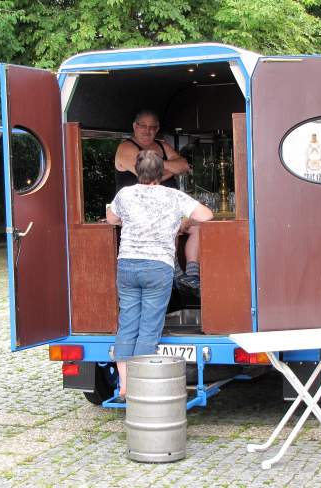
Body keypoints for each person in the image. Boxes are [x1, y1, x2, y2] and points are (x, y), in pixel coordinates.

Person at [107, 150, 213, 397]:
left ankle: (124, 384)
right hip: (157, 267)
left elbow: (111, 219)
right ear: (162, 173)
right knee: (149, 326)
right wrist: (180, 221)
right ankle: (140, 384)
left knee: (127, 322)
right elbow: (206, 215)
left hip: (127, 265)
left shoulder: (125, 194)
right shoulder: (173, 196)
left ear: (137, 171)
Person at [115, 109, 203, 292]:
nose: (148, 131)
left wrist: (160, 167)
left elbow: (183, 165)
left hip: (170, 209)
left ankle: (192, 274)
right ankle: (176, 274)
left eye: (152, 127)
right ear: (135, 126)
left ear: (157, 129)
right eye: (143, 126)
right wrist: (171, 168)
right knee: (170, 227)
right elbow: (148, 177)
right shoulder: (126, 148)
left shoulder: (162, 146)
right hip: (139, 213)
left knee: (198, 226)